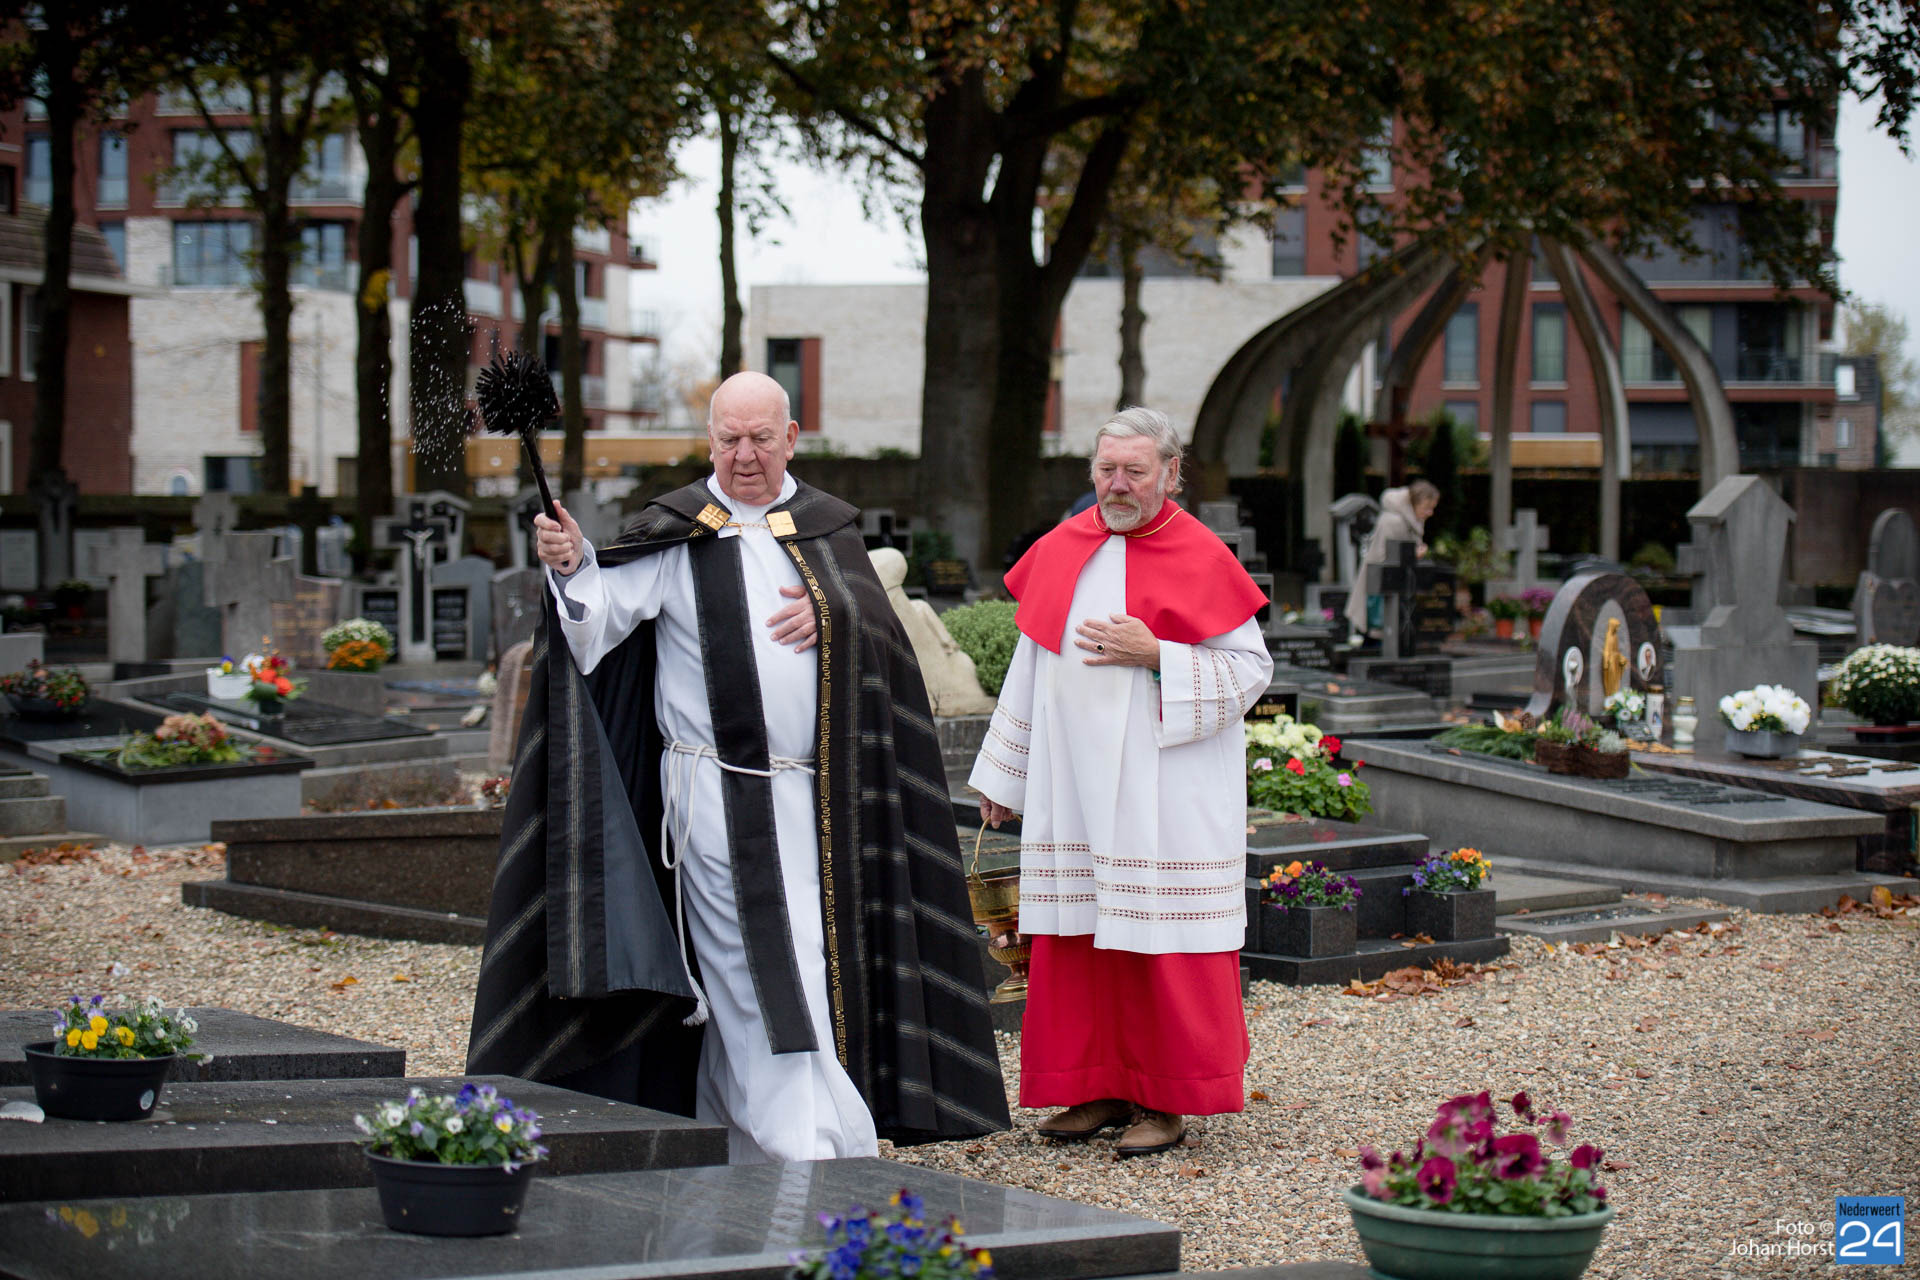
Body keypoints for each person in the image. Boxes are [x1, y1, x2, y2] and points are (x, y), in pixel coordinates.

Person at [467, 371, 1009, 1163]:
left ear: (791, 439)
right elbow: (595, 628)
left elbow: (885, 645)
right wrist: (575, 563)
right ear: (710, 440)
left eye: (760, 438)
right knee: (759, 964)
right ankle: (811, 1141)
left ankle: (732, 1131)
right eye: (729, 439)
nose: (744, 455)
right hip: (714, 796)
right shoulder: (680, 531)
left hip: (822, 800)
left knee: (806, 961)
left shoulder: (826, 530)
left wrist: (838, 615)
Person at [968, 407, 1273, 1157]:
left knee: (1160, 941)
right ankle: (1097, 1086)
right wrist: (1005, 772)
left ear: (1171, 474)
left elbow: (1250, 670)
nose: (1118, 484)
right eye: (1107, 469)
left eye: (1135, 471)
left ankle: (1165, 1101)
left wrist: (1159, 654)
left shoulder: (1201, 554)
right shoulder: (1062, 548)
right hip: (1073, 787)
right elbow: (1031, 666)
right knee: (1080, 939)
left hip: (1165, 790)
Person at [1344, 479, 1440, 644]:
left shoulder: (1411, 519)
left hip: (1393, 595)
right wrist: (1413, 555)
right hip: (1381, 593)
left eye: (1432, 508)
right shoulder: (1394, 521)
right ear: (1414, 503)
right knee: (1377, 640)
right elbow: (1386, 558)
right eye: (1427, 508)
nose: (1430, 513)